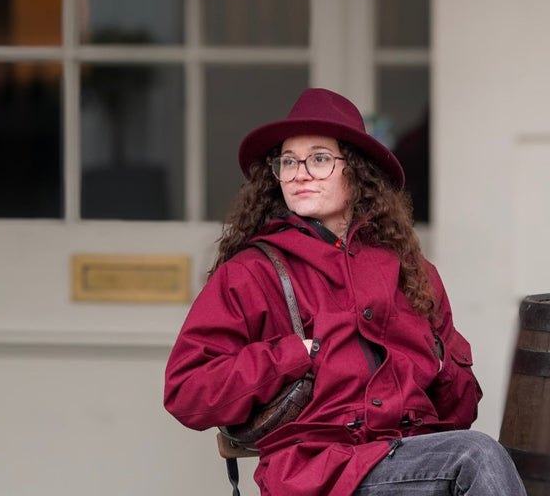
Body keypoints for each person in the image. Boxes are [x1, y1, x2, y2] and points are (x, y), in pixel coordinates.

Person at [164, 88, 525, 496]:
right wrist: (293, 356)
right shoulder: (252, 272)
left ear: (357, 173)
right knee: (477, 457)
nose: (300, 173)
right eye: (288, 161)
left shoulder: (412, 273)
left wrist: (440, 363)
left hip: (411, 464)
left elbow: (459, 414)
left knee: (492, 456)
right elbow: (186, 392)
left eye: (319, 159)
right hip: (319, 474)